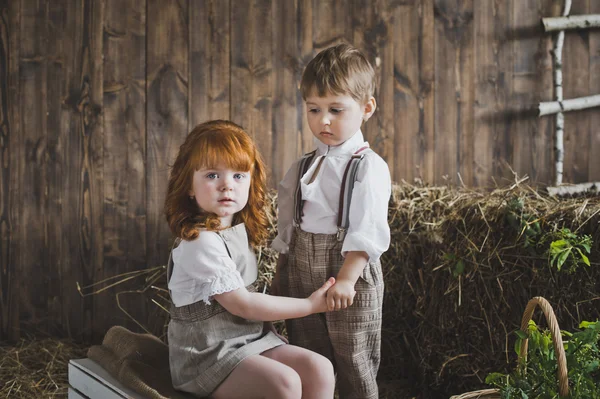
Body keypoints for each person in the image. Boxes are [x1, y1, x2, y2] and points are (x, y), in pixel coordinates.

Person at [164, 120, 336, 399]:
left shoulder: (236, 233)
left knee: (320, 368)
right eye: (211, 175)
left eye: (238, 176)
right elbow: (244, 305)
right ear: (189, 186)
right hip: (206, 357)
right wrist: (309, 305)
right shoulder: (200, 242)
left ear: (251, 181)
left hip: (248, 341)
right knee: (286, 383)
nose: (226, 186)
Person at [271, 43, 391, 399]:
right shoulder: (305, 166)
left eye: (336, 110)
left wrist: (348, 279)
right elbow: (290, 222)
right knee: (309, 351)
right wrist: (283, 270)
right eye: (314, 109)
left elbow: (367, 230)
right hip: (302, 266)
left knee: (353, 356)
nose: (323, 120)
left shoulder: (367, 167)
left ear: (366, 108)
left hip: (347, 273)